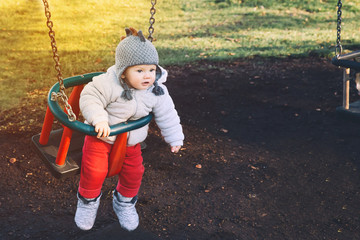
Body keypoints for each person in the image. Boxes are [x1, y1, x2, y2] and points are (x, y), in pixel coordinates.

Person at [74, 27, 184, 231]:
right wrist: (99, 119)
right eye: (139, 71)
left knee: (135, 174)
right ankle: (88, 202)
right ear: (123, 72)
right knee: (94, 171)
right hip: (102, 138)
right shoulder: (109, 83)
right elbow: (90, 97)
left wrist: (174, 137)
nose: (148, 76)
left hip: (132, 144)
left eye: (151, 69)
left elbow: (168, 113)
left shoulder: (156, 90)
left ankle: (124, 203)